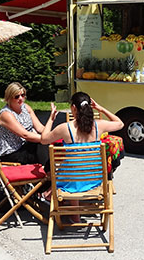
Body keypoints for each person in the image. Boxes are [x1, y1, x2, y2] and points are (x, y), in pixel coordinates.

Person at [40, 92, 124, 222]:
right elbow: (120, 123)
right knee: (77, 170)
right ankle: (74, 212)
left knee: (71, 171)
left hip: (71, 182)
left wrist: (51, 118)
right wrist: (100, 108)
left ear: (73, 108)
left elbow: (44, 139)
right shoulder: (98, 125)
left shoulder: (65, 128)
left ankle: (73, 212)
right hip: (94, 180)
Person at [0, 82, 48, 166]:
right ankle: (48, 173)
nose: (21, 98)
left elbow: (40, 128)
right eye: (17, 96)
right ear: (9, 98)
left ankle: (49, 171)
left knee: (46, 145)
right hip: (11, 153)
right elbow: (25, 135)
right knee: (42, 146)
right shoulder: (6, 114)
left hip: (25, 146)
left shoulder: (25, 107)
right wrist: (45, 138)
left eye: (23, 95)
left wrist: (53, 134)